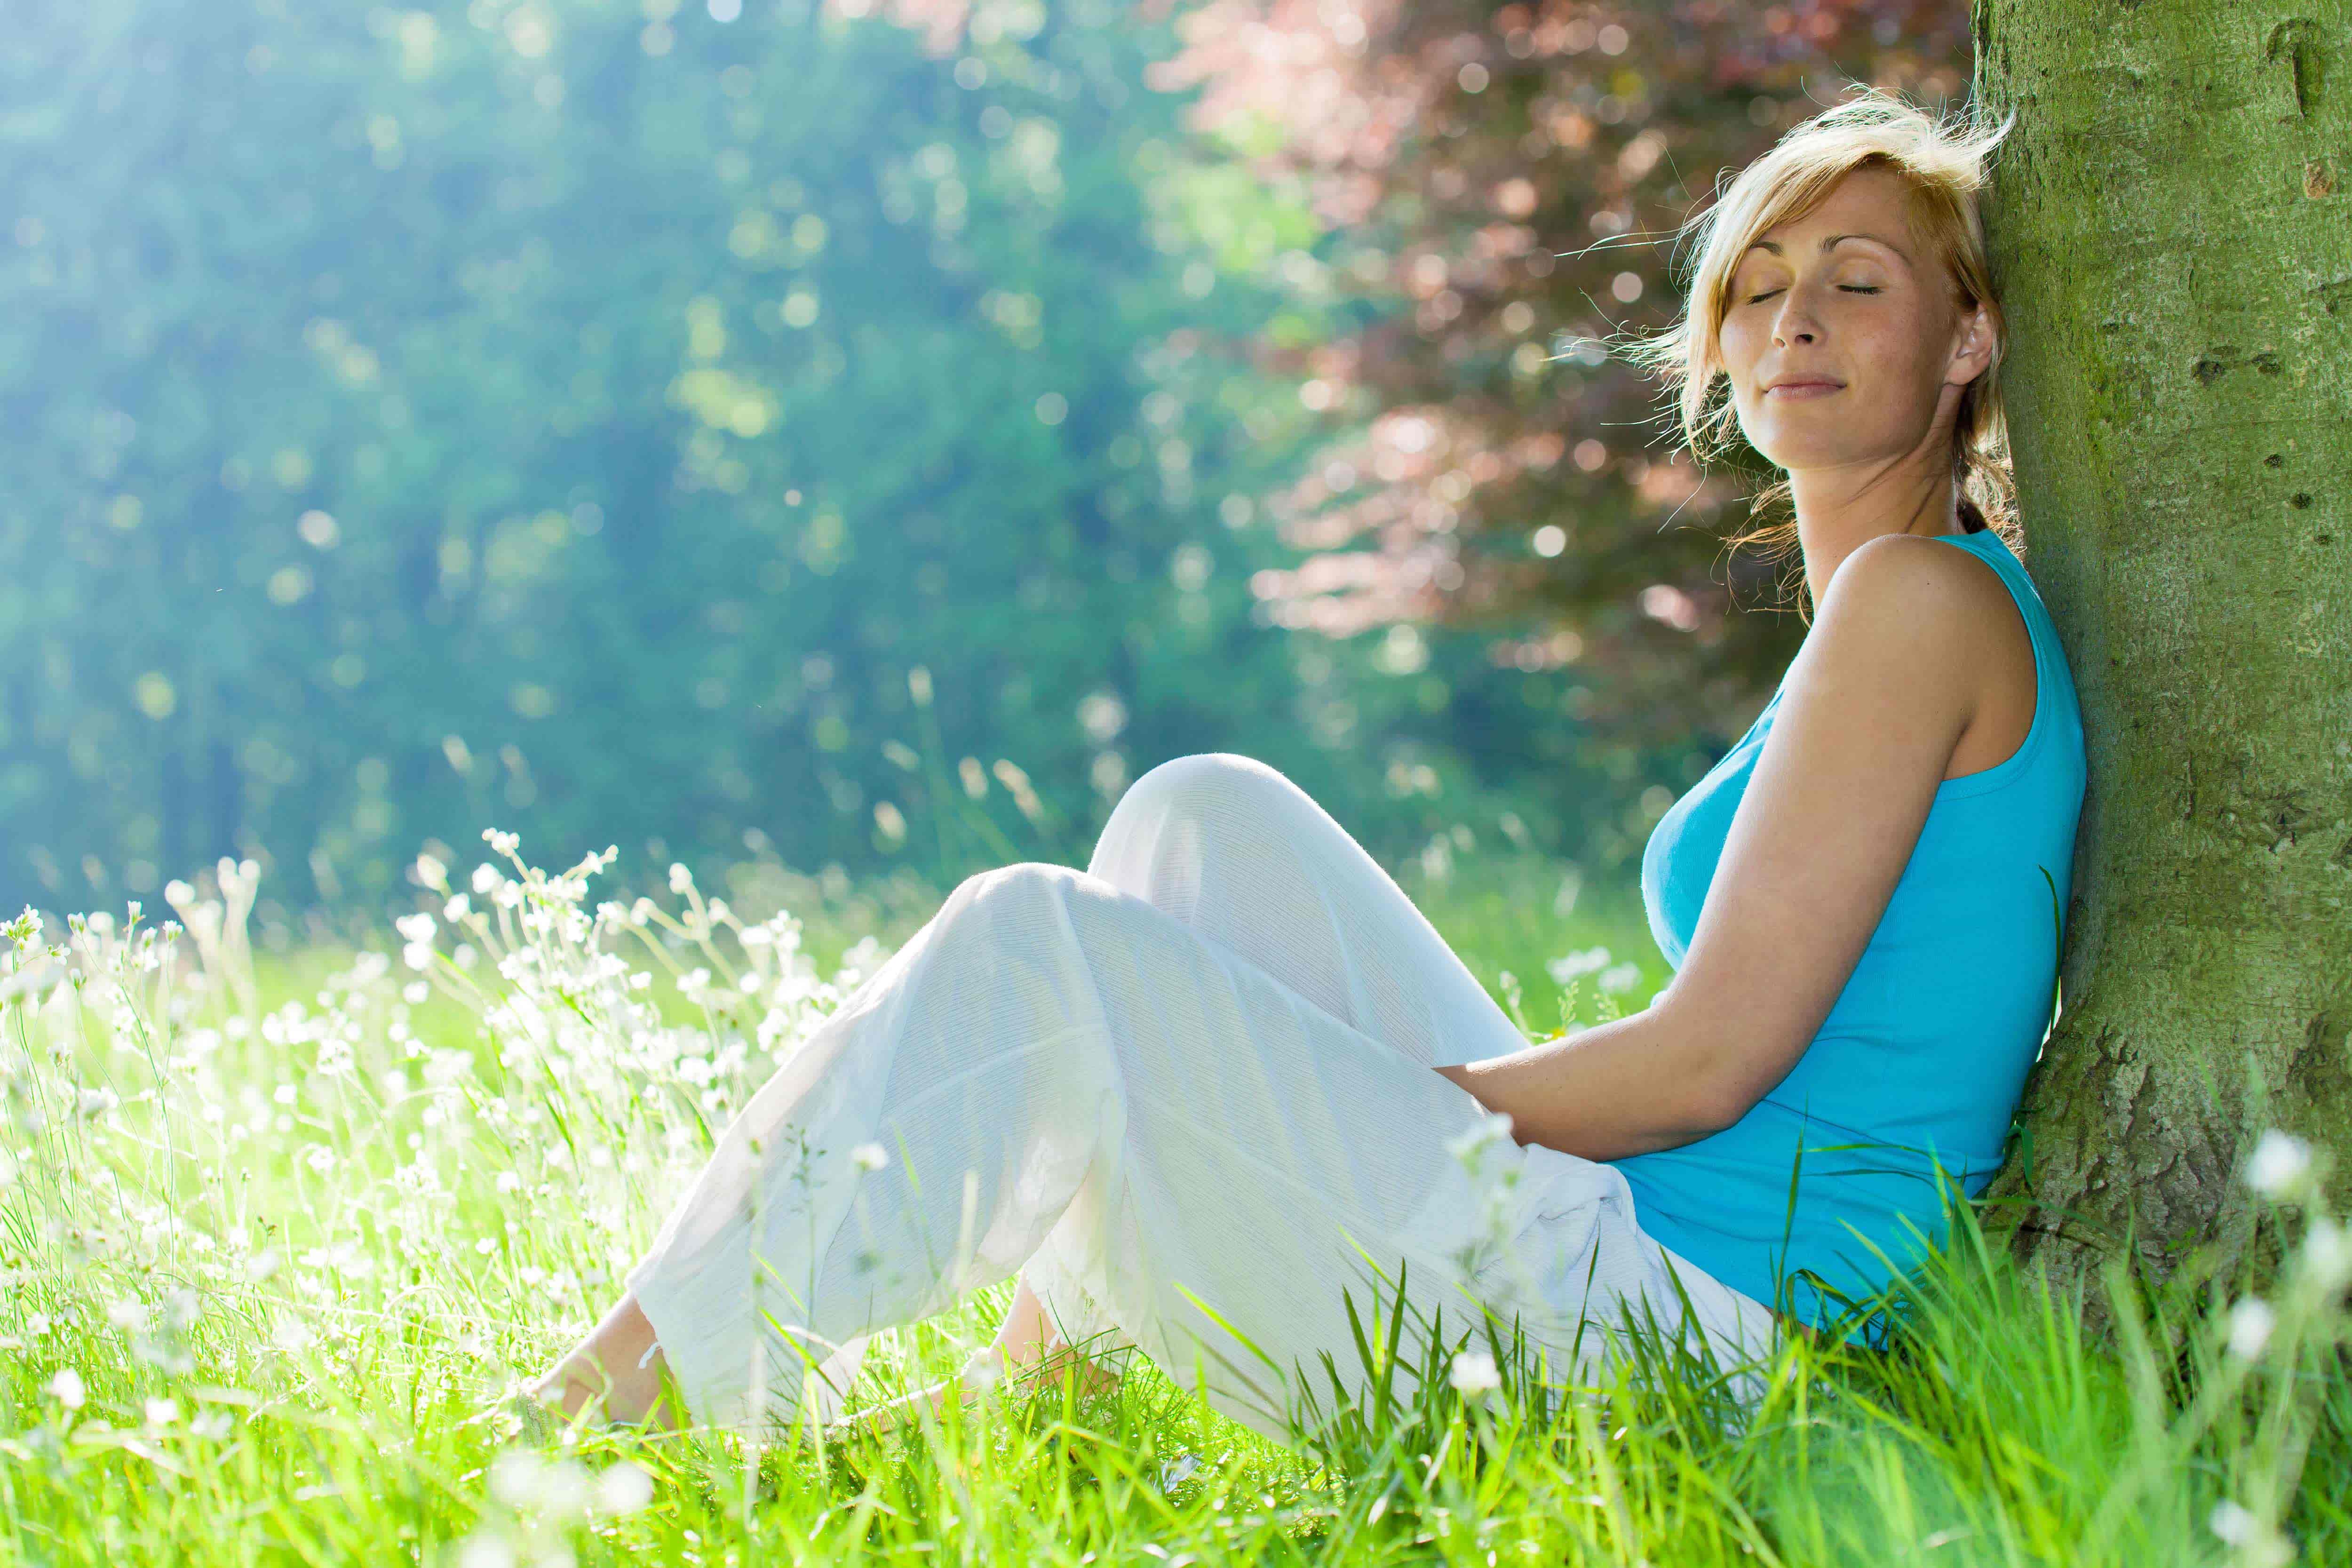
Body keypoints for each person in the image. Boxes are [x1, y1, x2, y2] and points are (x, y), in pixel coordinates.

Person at [528, 85, 2086, 1440]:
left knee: (1034, 935)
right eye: (1759, 285)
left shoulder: (1916, 601)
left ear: (1970, 340)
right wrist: (1330, 1094)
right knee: (1203, 817)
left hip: (1692, 1336)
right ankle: (1044, 1399)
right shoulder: (1893, 613)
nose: (1793, 319)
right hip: (1651, 1263)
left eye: (1857, 283)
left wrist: (1367, 1099)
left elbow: (1704, 1069)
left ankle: (601, 1409)